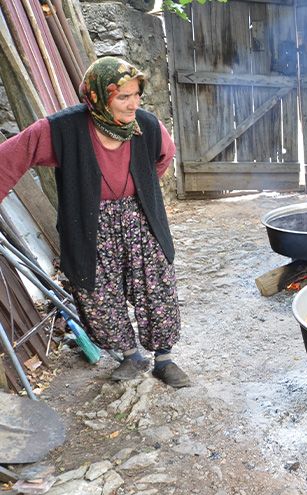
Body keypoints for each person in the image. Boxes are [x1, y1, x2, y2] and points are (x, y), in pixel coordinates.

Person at [0, 56, 190, 388]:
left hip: (140, 216)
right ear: (99, 97)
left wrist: (140, 188)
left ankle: (164, 359)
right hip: (91, 224)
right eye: (123, 97)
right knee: (98, 293)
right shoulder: (62, 130)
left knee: (155, 286)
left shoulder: (145, 125)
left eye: (136, 94)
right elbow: (12, 157)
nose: (133, 104)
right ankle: (130, 356)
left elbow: (165, 155)